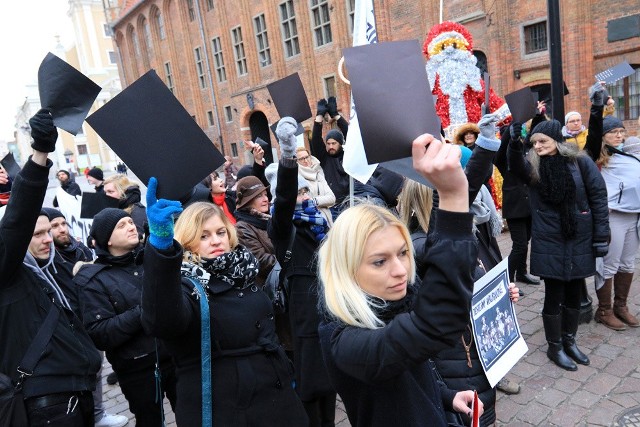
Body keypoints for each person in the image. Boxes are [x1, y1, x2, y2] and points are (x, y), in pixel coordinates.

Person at [317, 134, 483, 427]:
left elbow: (408, 374)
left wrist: (445, 396)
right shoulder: (344, 341)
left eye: (403, 253)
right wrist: (454, 197)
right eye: (379, 261)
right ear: (346, 269)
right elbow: (434, 325)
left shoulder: (392, 302)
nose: (400, 271)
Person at [141, 182, 308, 426]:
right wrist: (162, 249)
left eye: (220, 232)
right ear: (187, 240)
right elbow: (162, 322)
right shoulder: (185, 283)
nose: (216, 241)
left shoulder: (243, 270)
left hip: (276, 397)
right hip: (228, 408)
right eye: (204, 236)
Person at [0, 108, 101, 425]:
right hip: (47, 404)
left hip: (70, 394)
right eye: (38, 232)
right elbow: (17, 220)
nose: (45, 238)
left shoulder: (43, 267)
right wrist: (40, 153)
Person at [507, 119, 609, 371]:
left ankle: (569, 341)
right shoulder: (533, 165)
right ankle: (555, 346)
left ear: (557, 141)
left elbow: (597, 196)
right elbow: (517, 166)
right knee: (554, 295)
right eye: (534, 142)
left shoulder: (580, 161)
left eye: (543, 141)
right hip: (549, 239)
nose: (538, 146)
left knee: (575, 292)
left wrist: (601, 237)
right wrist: (512, 143)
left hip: (579, 236)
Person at [75, 208, 177, 426]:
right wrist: (144, 310)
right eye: (121, 225)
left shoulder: (149, 258)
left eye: (130, 222)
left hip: (176, 356)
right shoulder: (92, 280)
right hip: (138, 369)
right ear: (106, 240)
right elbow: (100, 333)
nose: (131, 226)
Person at [269, 117, 334, 426]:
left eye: (307, 193)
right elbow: (282, 200)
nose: (305, 198)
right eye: (299, 194)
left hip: (330, 311)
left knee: (331, 388)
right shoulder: (283, 229)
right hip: (305, 321)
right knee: (312, 392)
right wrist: (287, 155)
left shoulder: (321, 225)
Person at [41, 207, 129, 427]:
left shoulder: (79, 248)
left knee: (96, 366)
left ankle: (98, 414)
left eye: (63, 224)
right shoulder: (47, 259)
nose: (61, 230)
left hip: (90, 317)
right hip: (68, 324)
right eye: (54, 226)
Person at [592, 117, 640, 330]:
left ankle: (621, 306)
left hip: (634, 215)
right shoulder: (599, 157)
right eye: (613, 132)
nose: (619, 135)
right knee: (609, 264)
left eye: (621, 131)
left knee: (628, 263)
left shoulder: (629, 153)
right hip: (613, 216)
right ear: (603, 136)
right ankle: (604, 310)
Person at [494, 103, 548, 285]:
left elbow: (535, 137)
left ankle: (521, 274)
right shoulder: (504, 158)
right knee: (520, 245)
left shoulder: (526, 152)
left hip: (529, 205)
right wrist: (511, 131)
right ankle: (507, 280)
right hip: (515, 207)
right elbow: (503, 151)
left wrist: (539, 116)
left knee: (526, 241)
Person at [310, 97, 350, 219]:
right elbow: (316, 139)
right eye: (328, 143)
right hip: (333, 208)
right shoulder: (324, 158)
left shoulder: (347, 155)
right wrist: (319, 117)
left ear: (340, 143)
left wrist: (336, 115)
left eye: (334, 143)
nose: (331, 146)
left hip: (349, 205)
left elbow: (350, 134)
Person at [295, 146, 335, 225]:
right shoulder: (297, 178)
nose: (306, 161)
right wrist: (323, 201)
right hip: (310, 220)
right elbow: (303, 202)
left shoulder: (318, 174)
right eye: (302, 159)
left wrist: (314, 201)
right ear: (297, 161)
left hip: (327, 218)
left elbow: (332, 198)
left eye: (307, 157)